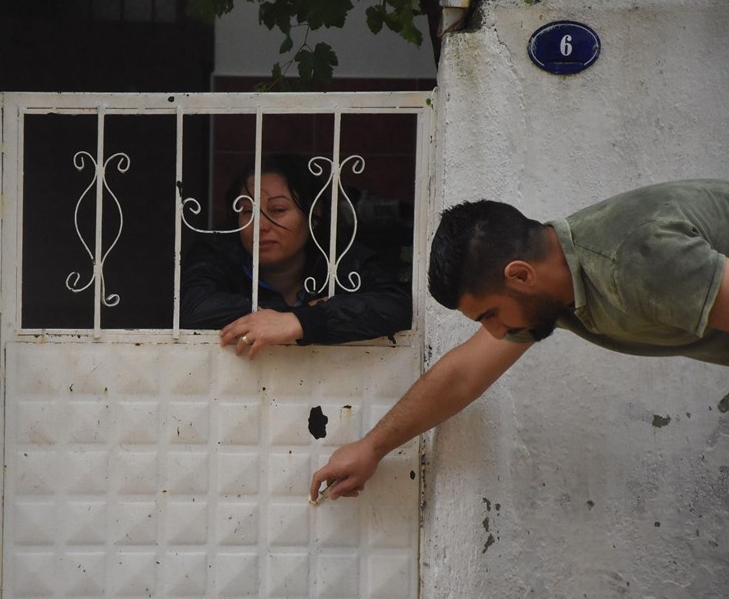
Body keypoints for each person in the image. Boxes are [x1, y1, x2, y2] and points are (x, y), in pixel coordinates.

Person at [310, 178, 729, 501]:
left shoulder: (635, 260)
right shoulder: (554, 280)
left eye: (489, 314)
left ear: (521, 275)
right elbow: (463, 375)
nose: (494, 331)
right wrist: (371, 447)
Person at [180, 153, 412, 356]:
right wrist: (300, 315)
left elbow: (396, 305)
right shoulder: (217, 254)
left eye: (278, 210)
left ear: (314, 214)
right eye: (248, 211)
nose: (259, 225)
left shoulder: (339, 260)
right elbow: (194, 308)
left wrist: (299, 322)